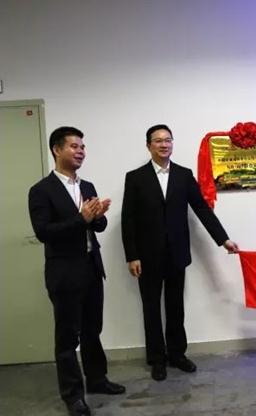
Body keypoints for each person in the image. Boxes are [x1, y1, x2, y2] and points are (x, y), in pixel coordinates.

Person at [121, 124, 238, 381]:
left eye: (168, 140)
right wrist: (132, 255)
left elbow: (202, 209)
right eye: (158, 140)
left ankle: (177, 354)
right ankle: (157, 359)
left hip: (177, 254)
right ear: (149, 145)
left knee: (175, 307)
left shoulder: (184, 175)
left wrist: (223, 239)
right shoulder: (135, 177)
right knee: (151, 309)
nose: (164, 144)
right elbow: (128, 219)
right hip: (147, 257)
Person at [28, 127, 125, 416]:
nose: (81, 151)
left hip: (92, 269)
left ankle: (97, 380)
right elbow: (44, 232)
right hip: (64, 273)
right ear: (57, 150)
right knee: (68, 338)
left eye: (83, 147)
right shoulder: (41, 190)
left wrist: (98, 216)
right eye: (74, 146)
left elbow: (98, 227)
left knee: (93, 330)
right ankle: (72, 395)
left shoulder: (87, 186)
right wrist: (81, 218)